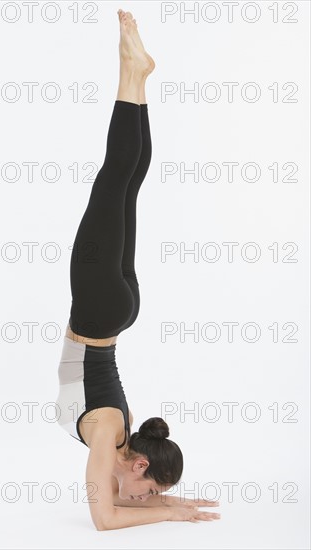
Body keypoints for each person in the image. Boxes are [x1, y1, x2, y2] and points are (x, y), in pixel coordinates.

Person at [56, 9, 221, 530]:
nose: (143, 497)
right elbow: (106, 518)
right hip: (99, 310)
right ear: (141, 464)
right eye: (151, 490)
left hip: (119, 310)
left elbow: (114, 507)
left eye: (150, 494)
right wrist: (168, 517)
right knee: (115, 181)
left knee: (124, 185)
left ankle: (136, 75)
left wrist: (172, 505)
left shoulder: (122, 434)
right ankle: (131, 74)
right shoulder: (108, 433)